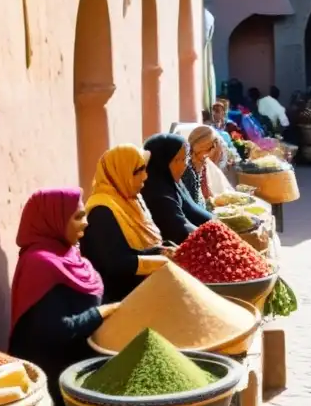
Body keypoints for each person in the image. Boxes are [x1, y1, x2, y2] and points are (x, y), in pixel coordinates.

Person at [9, 188, 116, 406]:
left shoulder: (67, 253)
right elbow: (56, 330)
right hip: (57, 384)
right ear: (54, 219)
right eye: (78, 216)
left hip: (78, 371)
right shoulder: (40, 264)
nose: (86, 222)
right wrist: (102, 313)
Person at [81, 145, 170, 304]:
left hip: (140, 287)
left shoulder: (130, 199)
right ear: (120, 172)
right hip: (116, 298)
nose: (145, 177)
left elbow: (138, 249)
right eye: (139, 171)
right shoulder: (101, 211)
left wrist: (161, 250)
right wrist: (162, 260)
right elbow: (117, 264)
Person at [141, 133, 214, 245]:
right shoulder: (157, 194)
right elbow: (182, 232)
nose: (184, 164)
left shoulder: (172, 181)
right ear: (161, 162)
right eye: (177, 160)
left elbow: (193, 211)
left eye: (185, 158)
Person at [183, 126, 222, 209]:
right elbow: (192, 208)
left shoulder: (201, 166)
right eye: (215, 146)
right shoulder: (188, 172)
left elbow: (207, 197)